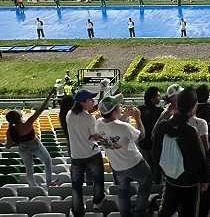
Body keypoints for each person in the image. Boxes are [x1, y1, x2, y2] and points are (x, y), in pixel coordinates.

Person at [153, 87, 210, 217]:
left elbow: (156, 151)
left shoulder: (163, 126)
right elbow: (199, 158)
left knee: (166, 210)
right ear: (193, 107)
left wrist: (162, 171)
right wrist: (205, 179)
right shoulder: (191, 131)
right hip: (190, 182)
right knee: (189, 212)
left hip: (170, 178)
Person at [96, 94, 152, 217]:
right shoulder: (124, 127)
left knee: (123, 190)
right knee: (146, 181)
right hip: (134, 163)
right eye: (118, 106)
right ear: (115, 111)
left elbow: (113, 126)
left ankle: (125, 214)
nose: (120, 107)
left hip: (117, 166)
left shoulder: (98, 123)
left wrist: (125, 116)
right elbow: (141, 136)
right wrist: (138, 119)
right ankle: (140, 211)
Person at [5, 87, 58, 187]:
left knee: (29, 170)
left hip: (23, 149)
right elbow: (41, 108)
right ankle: (49, 183)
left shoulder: (10, 130)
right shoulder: (28, 124)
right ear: (19, 116)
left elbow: (8, 146)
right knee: (47, 161)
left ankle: (33, 187)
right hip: (36, 146)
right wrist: (50, 94)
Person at [67, 89, 106, 217]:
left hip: (76, 156)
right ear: (83, 103)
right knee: (98, 179)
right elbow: (95, 137)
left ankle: (78, 211)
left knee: (76, 185)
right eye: (90, 100)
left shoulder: (69, 115)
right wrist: (98, 122)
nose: (93, 102)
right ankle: (97, 200)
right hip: (92, 154)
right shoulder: (89, 118)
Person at [138, 87, 163, 183]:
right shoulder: (160, 112)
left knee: (147, 167)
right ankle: (157, 186)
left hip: (143, 144)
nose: (160, 97)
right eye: (158, 96)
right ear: (152, 99)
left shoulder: (139, 110)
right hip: (155, 144)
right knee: (157, 166)